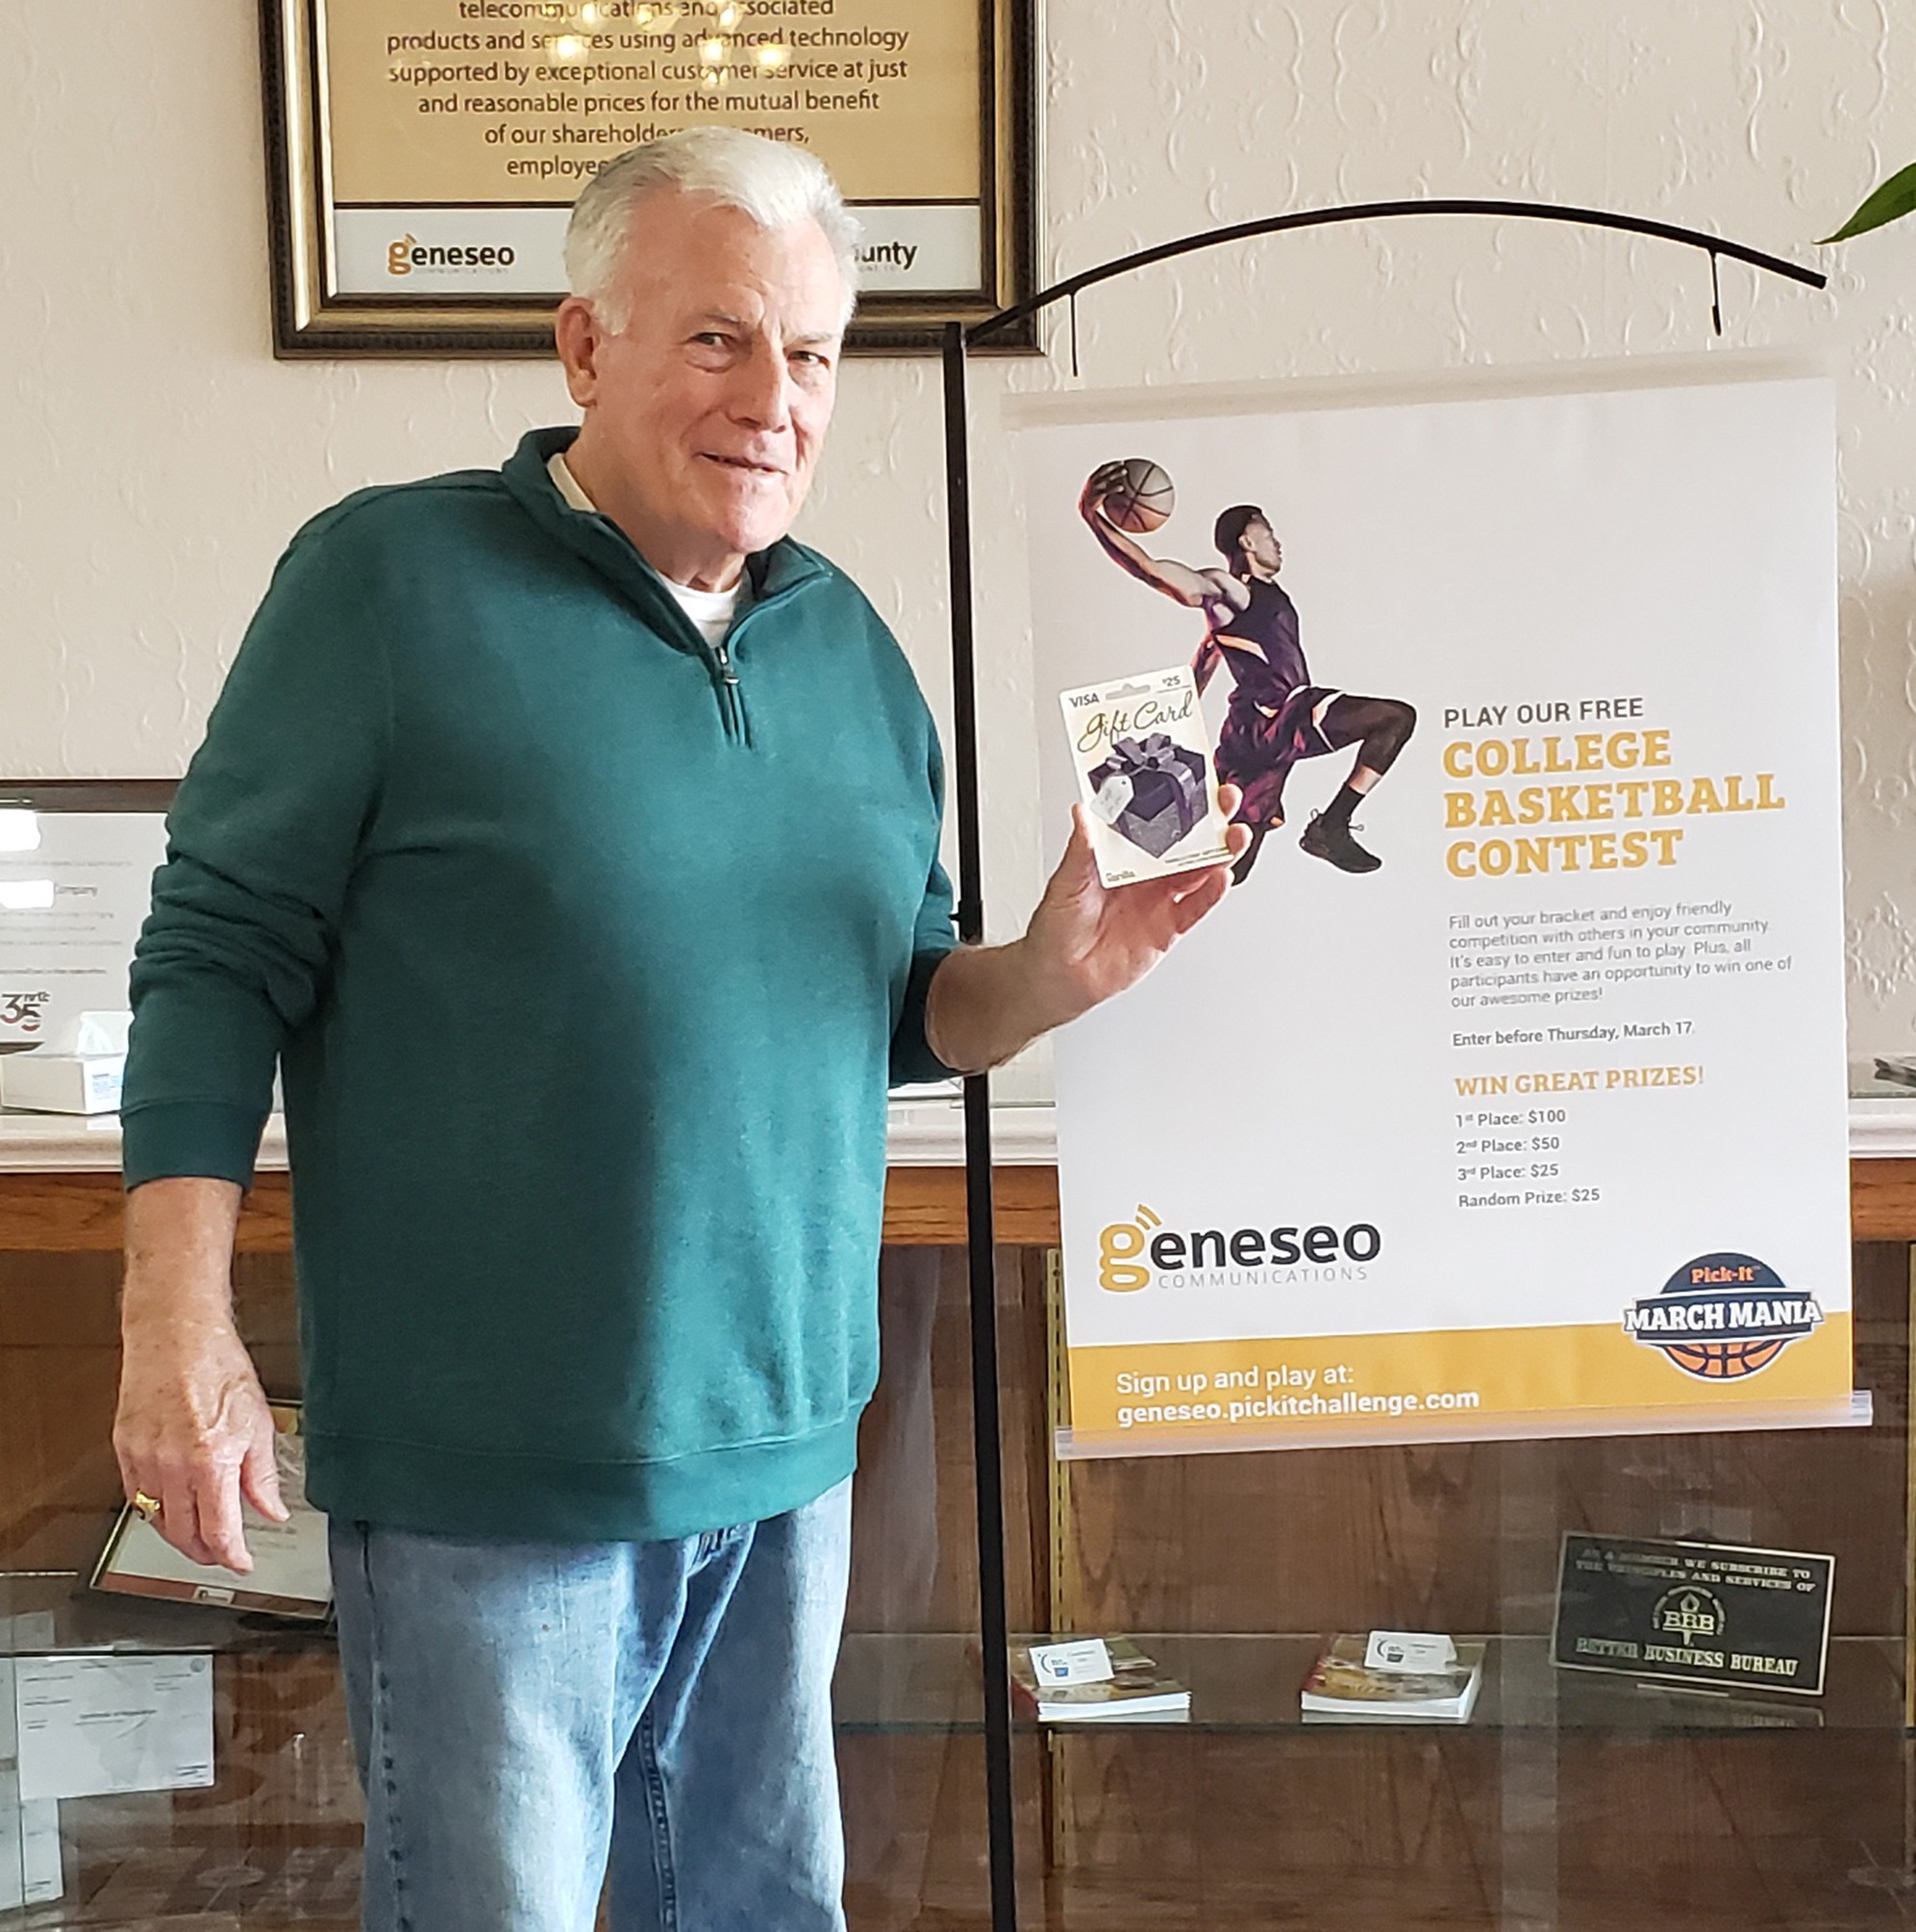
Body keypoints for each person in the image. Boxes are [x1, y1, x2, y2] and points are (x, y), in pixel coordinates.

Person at [111, 131, 1244, 1932]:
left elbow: (899, 1006)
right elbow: (214, 954)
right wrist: (176, 1330)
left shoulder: (849, 648)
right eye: (717, 338)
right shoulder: (386, 583)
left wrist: (1046, 976)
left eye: (810, 353)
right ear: (585, 344)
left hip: (786, 1455)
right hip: (496, 1475)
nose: (772, 399)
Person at [1081, 475, 1415, 879]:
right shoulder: (1231, 589)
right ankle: (1331, 825)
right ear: (1246, 541)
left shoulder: (1239, 610)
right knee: (1395, 718)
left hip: (1251, 735)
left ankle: (1135, 869)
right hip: (1281, 716)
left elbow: (1208, 654)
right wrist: (1093, 517)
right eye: (1268, 533)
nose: (1278, 543)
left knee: (1231, 870)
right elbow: (1151, 570)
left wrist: (1179, 707)